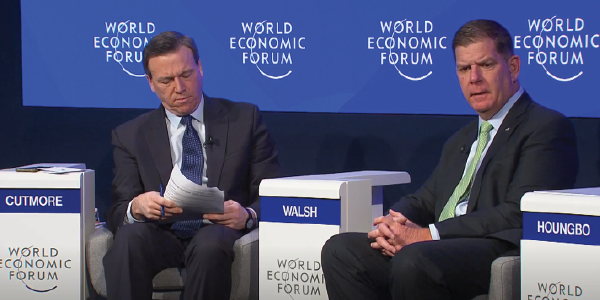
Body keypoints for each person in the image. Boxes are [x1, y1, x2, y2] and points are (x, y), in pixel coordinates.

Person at [321, 19, 578, 300]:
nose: (474, 78)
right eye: (464, 68)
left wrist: (429, 234)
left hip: (493, 247)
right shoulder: (462, 138)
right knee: (341, 250)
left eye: (486, 65)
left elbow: (518, 212)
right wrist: (392, 223)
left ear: (513, 67)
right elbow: (426, 199)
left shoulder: (545, 127)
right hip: (436, 248)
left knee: (414, 260)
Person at [103, 31, 280, 300]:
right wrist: (136, 208)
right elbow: (117, 211)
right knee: (128, 241)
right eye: (166, 80)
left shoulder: (245, 119)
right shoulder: (130, 135)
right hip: (161, 234)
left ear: (199, 67)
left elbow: (272, 195)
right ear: (150, 83)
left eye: (186, 74)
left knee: (210, 246)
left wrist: (247, 214)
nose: (179, 87)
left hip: (217, 231)